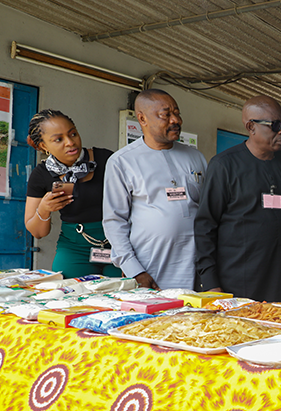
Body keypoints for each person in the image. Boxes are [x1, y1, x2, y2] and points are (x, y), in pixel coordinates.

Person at [194, 95, 281, 302]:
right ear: (251, 127)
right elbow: (205, 226)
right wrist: (210, 283)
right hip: (238, 281)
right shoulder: (224, 166)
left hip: (280, 280)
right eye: (274, 125)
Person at [103, 89, 207, 290]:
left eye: (177, 113)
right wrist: (135, 270)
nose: (175, 120)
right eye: (166, 115)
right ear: (142, 119)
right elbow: (114, 221)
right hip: (151, 266)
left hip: (195, 264)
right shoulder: (122, 162)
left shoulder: (196, 157)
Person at [23, 110, 121, 278]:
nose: (70, 142)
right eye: (58, 139)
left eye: (73, 134)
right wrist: (44, 209)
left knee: (124, 296)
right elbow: (37, 232)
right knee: (68, 296)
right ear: (43, 146)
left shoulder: (106, 159)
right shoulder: (41, 175)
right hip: (74, 248)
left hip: (118, 244)